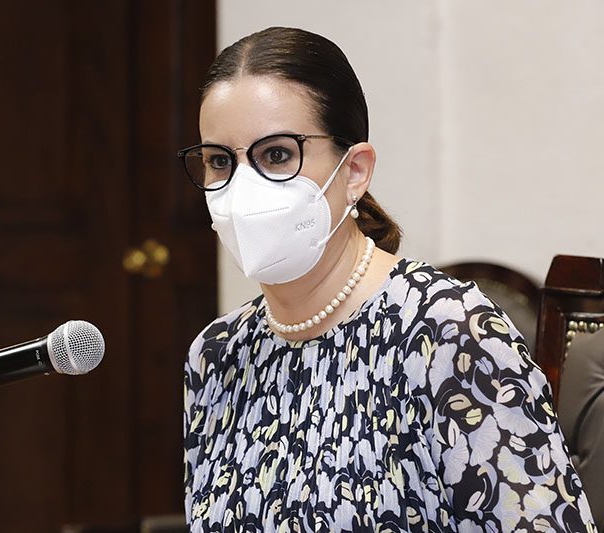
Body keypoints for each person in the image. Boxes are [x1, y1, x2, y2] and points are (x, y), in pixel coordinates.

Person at [180, 27, 596, 532]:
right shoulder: (217, 355)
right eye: (220, 161)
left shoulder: (449, 333)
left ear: (354, 170)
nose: (243, 187)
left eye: (277, 155)